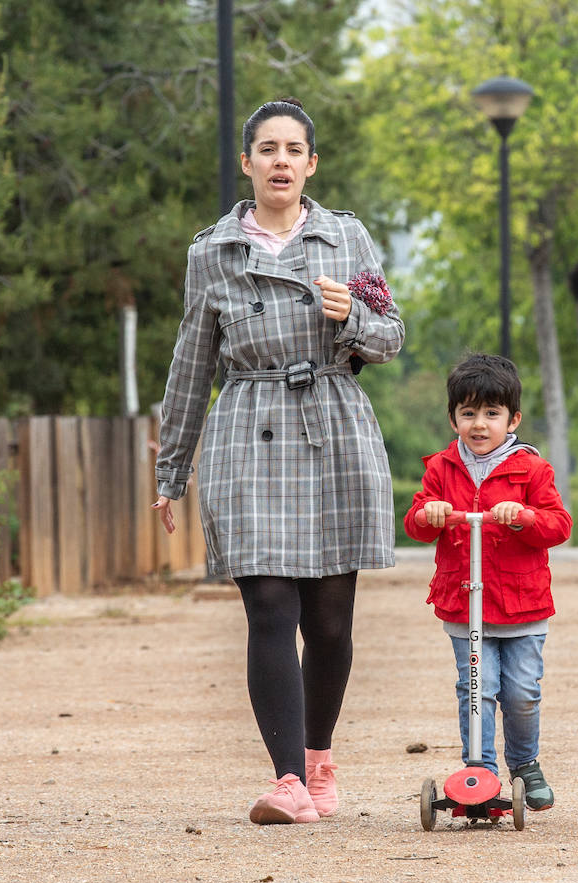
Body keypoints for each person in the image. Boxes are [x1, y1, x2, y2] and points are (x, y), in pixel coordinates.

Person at [150, 97, 404, 825]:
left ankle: (320, 762)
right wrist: (172, 470)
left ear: (311, 164)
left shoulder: (347, 239)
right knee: (267, 604)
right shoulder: (212, 253)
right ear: (247, 163)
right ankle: (287, 780)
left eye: (294, 149)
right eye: (268, 149)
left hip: (334, 423)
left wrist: (349, 316)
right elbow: (191, 365)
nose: (281, 161)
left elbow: (390, 335)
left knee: (328, 621)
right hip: (247, 426)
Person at [403, 354, 572, 811]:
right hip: (466, 602)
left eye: (492, 414)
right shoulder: (441, 468)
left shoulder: (531, 470)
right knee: (476, 687)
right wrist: (429, 513)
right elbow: (416, 523)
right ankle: (480, 771)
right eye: (469, 413)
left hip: (521, 604)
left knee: (520, 692)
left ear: (512, 419)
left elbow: (559, 525)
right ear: (454, 417)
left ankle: (524, 763)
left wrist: (524, 517)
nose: (480, 424)